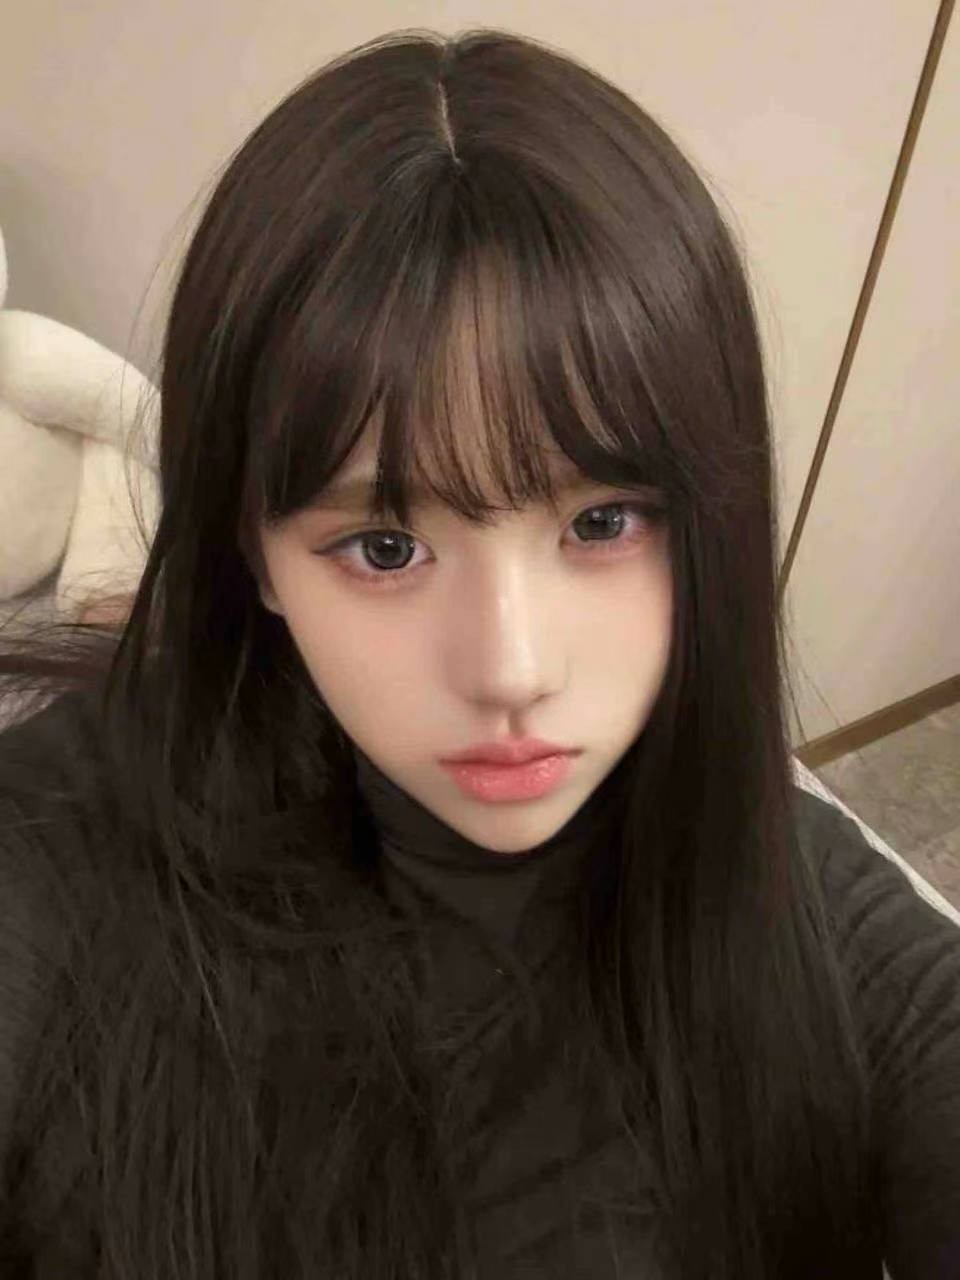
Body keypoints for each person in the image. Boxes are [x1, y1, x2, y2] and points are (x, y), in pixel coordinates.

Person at [0, 26, 957, 1280]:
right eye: (385, 546)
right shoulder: (59, 854)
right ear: (256, 555)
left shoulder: (803, 900)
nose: (511, 668)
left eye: (602, 524)